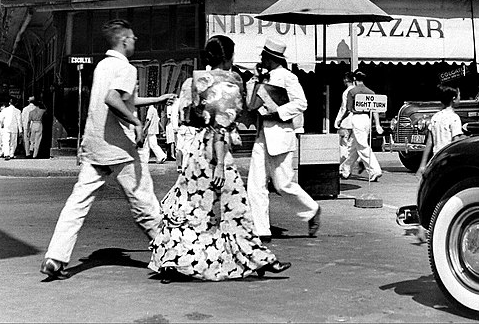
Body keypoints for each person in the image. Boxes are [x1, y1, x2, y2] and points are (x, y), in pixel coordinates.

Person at [40, 19, 174, 280]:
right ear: (124, 40)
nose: (135, 40)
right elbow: (113, 99)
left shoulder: (103, 66)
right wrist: (136, 122)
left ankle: (55, 258)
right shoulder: (126, 67)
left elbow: (127, 100)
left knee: (77, 203)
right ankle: (171, 256)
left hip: (95, 145)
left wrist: (156, 99)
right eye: (133, 37)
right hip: (119, 148)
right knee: (144, 202)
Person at [149, 35, 290, 283]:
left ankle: (174, 260)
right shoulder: (232, 82)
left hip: (194, 149)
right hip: (217, 152)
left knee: (192, 206)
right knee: (236, 208)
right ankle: (258, 259)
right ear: (229, 57)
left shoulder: (193, 81)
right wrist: (220, 165)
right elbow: (223, 125)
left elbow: (187, 116)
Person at [247, 38, 321, 242]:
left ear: (271, 58)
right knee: (255, 184)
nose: (261, 59)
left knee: (283, 184)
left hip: (280, 133)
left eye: (263, 56)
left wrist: (279, 111)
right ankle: (261, 229)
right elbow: (251, 101)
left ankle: (311, 209)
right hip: (262, 134)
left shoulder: (288, 77)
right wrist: (255, 79)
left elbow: (301, 103)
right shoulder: (262, 77)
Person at [338, 70, 384, 182]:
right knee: (353, 146)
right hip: (366, 119)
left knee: (362, 146)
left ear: (354, 79)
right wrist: (377, 124)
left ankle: (375, 170)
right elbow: (375, 110)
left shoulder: (352, 92)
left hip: (357, 118)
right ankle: (345, 169)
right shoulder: (370, 92)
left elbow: (348, 109)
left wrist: (340, 120)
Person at [417, 85, 465, 177]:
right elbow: (455, 141)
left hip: (436, 158)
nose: (460, 98)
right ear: (454, 99)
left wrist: (423, 165)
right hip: (448, 158)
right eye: (459, 95)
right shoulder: (454, 118)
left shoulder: (435, 117)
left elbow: (429, 142)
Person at [334, 71, 355, 163]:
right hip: (355, 121)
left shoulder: (346, 92)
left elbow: (345, 108)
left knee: (343, 145)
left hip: (346, 122)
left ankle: (342, 165)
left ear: (346, 80)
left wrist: (339, 120)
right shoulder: (357, 91)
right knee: (351, 144)